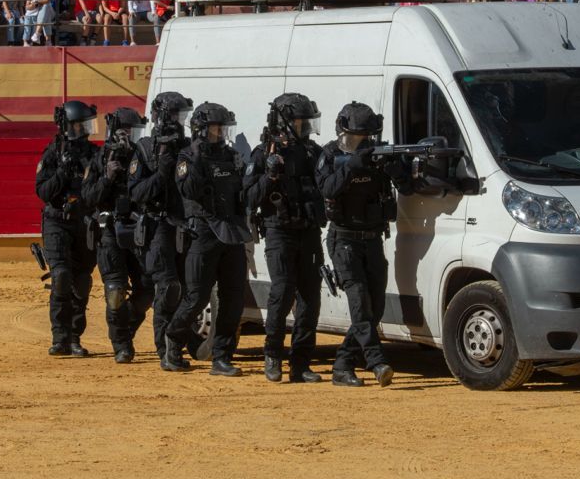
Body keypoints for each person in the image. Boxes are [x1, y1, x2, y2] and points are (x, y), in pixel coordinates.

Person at [316, 102, 407, 388]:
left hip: (372, 239)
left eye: (365, 138)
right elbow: (327, 188)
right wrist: (353, 166)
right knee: (359, 304)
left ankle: (343, 364)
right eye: (355, 138)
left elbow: (407, 187)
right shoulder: (330, 155)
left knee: (375, 307)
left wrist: (395, 169)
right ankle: (377, 361)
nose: (360, 143)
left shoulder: (376, 155)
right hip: (344, 239)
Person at [163, 102, 251, 377]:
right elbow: (189, 190)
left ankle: (222, 356)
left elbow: (242, 195)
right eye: (216, 129)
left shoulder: (232, 156)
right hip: (203, 231)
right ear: (201, 130)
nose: (221, 133)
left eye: (224, 128)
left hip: (232, 231)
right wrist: (199, 159)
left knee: (233, 299)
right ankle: (173, 341)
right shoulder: (187, 157)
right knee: (197, 298)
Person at [246, 93, 327, 384]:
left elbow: (327, 185)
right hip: (279, 231)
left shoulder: (312, 153)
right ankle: (272, 355)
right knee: (281, 294)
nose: (305, 126)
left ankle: (301, 362)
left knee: (310, 298)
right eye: (300, 121)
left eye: (307, 121)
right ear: (285, 122)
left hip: (308, 231)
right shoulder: (264, 152)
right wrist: (269, 175)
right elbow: (249, 197)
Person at [130, 91, 193, 364]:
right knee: (168, 288)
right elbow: (136, 192)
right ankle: (164, 351)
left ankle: (175, 346)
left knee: (189, 290)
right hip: (158, 227)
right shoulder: (144, 148)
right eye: (177, 115)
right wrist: (161, 173)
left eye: (183, 115)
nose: (181, 121)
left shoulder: (189, 146)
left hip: (185, 226)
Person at [84, 107, 151, 363]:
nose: (129, 137)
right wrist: (107, 178)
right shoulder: (101, 159)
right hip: (110, 230)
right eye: (125, 131)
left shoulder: (143, 155)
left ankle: (124, 328)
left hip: (138, 230)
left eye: (133, 132)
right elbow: (88, 198)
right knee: (115, 290)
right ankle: (121, 344)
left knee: (147, 289)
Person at [34, 100, 100, 357]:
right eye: (79, 125)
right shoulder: (52, 153)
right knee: (61, 276)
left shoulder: (94, 154)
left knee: (81, 281)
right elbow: (43, 191)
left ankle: (74, 337)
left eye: (87, 125)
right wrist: (62, 171)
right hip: (57, 220)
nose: (84, 131)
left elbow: (98, 191)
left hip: (83, 222)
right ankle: (59, 337)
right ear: (67, 126)